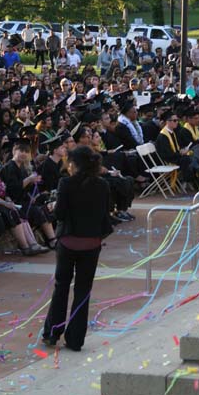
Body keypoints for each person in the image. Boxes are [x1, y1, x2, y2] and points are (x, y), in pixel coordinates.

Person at [42, 147, 113, 351]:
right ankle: (75, 339)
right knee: (83, 290)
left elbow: (61, 214)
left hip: (69, 242)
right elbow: (105, 213)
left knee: (62, 286)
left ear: (74, 164)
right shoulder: (102, 185)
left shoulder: (66, 183)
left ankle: (53, 332)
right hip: (91, 243)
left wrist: (55, 206)